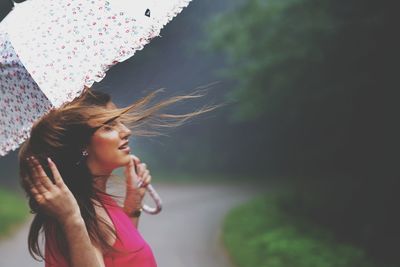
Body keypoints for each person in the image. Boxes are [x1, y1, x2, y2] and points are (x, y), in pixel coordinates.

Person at [18, 86, 222, 267]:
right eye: (109, 126)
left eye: (120, 122)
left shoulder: (96, 203)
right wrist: (72, 220)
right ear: (82, 145)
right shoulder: (77, 214)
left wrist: (132, 206)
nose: (126, 131)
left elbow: (121, 258)